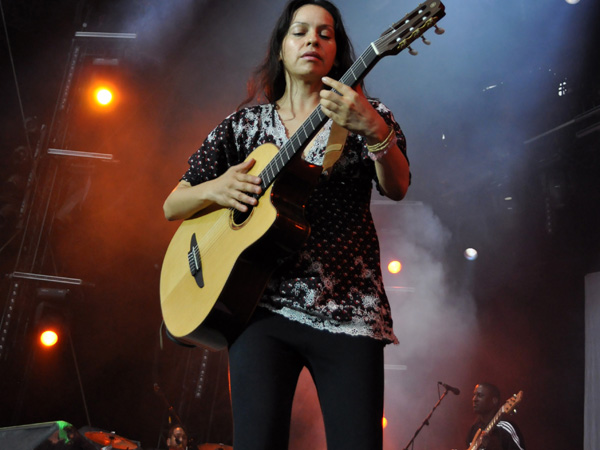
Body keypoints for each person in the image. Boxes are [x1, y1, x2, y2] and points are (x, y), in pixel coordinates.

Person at [163, 1, 410, 449]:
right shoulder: (242, 126)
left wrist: (373, 128)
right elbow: (172, 204)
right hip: (260, 310)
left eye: (325, 33)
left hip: (350, 310)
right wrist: (216, 188)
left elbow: (398, 186)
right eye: (300, 32)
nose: (313, 40)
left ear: (338, 52)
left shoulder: (364, 112)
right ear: (280, 47)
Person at [466, 383, 525, 450]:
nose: (474, 399)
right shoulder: (474, 429)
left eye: (480, 395)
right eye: (474, 395)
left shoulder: (506, 427)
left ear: (494, 400)